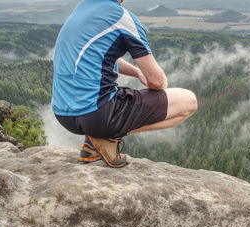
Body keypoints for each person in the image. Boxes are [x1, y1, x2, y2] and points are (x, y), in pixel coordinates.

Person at [52, 0, 197, 168]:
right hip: (97, 115)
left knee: (112, 93)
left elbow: (99, 54)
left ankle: (92, 145)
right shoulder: (122, 17)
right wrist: (156, 83)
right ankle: (105, 137)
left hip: (63, 114)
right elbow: (157, 82)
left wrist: (136, 72)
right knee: (189, 101)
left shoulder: (82, 8)